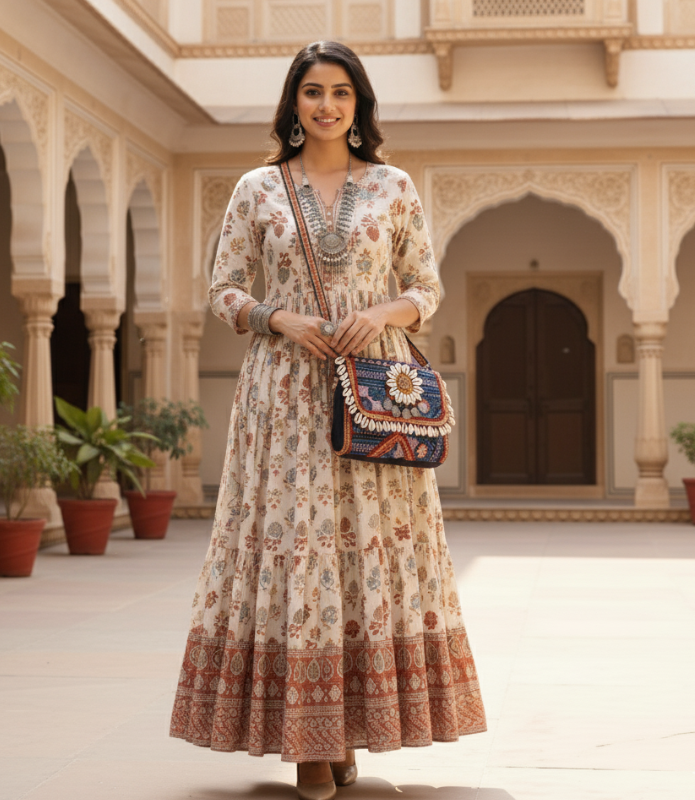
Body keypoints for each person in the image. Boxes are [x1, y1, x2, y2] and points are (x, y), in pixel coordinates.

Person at [170, 40, 486, 800]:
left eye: (341, 92)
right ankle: (308, 747)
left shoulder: (393, 185)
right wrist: (279, 318)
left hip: (374, 391)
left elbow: (426, 286)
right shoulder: (257, 188)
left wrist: (381, 312)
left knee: (367, 552)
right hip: (284, 397)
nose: (327, 105)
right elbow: (224, 289)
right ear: (294, 104)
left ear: (359, 105)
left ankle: (347, 730)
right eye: (313, 92)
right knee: (298, 552)